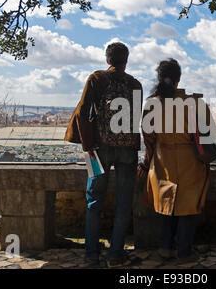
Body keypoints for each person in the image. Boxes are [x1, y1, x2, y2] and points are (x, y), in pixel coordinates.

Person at [65, 42, 143, 268]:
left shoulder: (97, 79)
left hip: (99, 150)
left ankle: (91, 255)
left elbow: (82, 113)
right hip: (127, 150)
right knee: (123, 202)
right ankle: (115, 254)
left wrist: (87, 145)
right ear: (126, 61)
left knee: (94, 200)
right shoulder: (135, 84)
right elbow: (136, 118)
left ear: (108, 60)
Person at [137, 58, 211, 264]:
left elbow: (148, 139)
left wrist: (146, 162)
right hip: (191, 160)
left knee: (167, 203)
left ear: (159, 78)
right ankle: (184, 251)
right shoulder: (195, 103)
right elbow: (208, 136)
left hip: (162, 160)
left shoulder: (152, 104)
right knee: (187, 206)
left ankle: (165, 247)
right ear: (179, 79)